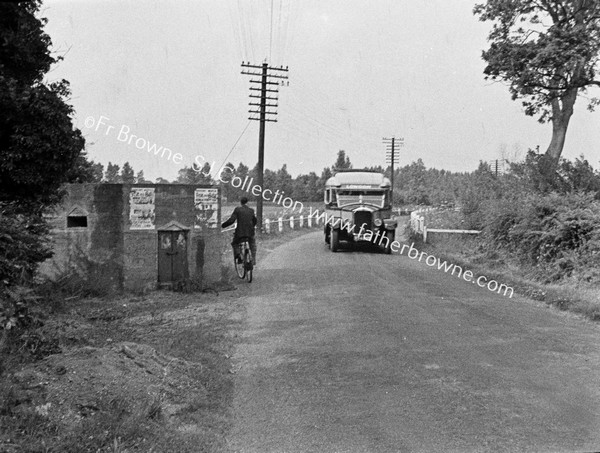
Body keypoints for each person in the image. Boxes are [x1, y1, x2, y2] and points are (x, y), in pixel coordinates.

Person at [221, 196, 257, 265]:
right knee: (252, 244)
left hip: (240, 233)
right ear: (247, 202)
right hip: (250, 232)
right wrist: (252, 227)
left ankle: (238, 255)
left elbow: (231, 220)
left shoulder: (237, 209)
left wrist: (223, 225)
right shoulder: (251, 210)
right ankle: (253, 260)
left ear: (241, 203)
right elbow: (255, 220)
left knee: (234, 243)